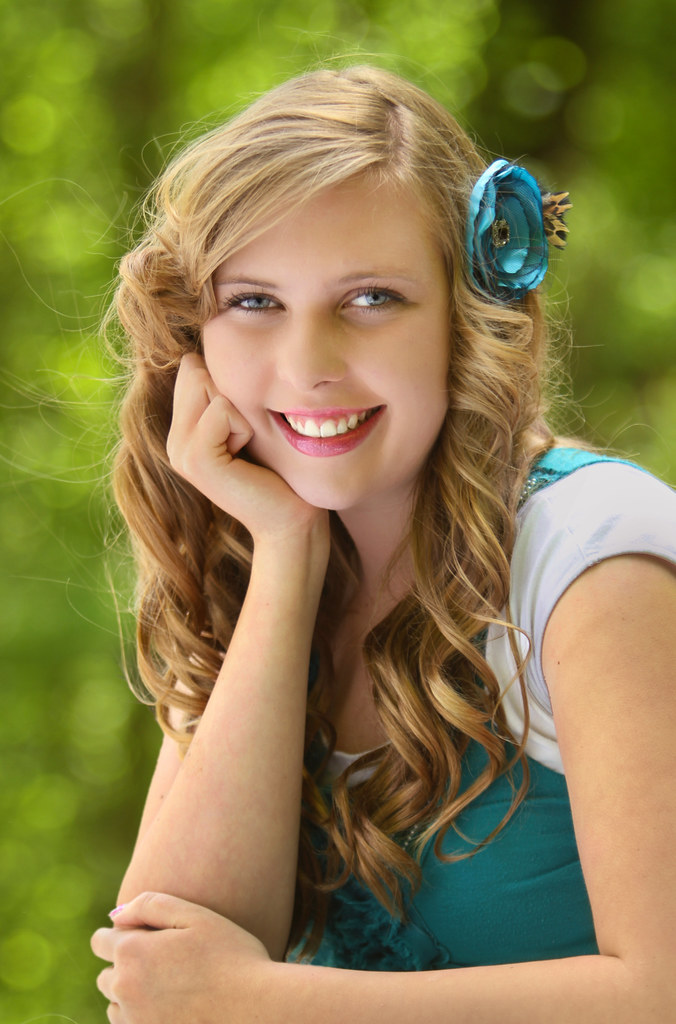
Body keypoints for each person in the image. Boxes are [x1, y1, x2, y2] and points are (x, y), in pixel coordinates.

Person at [91, 65, 676, 1023]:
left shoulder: (592, 557)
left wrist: (269, 1001)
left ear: (464, 317)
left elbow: (662, 989)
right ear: (193, 339)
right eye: (254, 302)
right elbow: (168, 964)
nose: (309, 365)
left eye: (370, 299)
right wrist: (284, 555)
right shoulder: (261, 562)